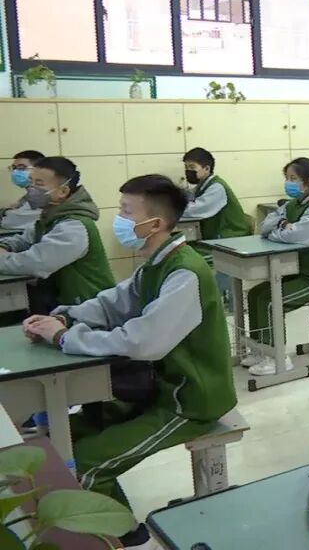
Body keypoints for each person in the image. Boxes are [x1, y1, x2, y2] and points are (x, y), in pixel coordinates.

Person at [22, 174, 237, 550]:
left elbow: (142, 342)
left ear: (155, 223)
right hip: (158, 386)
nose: (118, 219)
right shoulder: (156, 263)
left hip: (189, 400)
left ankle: (127, 539)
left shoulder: (185, 272)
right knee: (63, 437)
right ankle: (120, 525)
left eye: (126, 212)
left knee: (86, 463)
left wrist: (65, 338)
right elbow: (114, 302)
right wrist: (64, 317)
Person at [246, 158, 309, 376]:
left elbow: (296, 236)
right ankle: (260, 350)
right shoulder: (292, 205)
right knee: (255, 294)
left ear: (308, 182)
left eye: (293, 178)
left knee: (270, 300)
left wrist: (281, 230)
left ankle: (277, 357)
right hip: (302, 273)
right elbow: (265, 226)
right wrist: (283, 225)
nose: (288, 183)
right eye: (287, 178)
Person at [0, 156, 114, 316]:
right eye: (31, 182)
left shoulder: (73, 226)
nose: (31, 188)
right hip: (63, 301)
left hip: (86, 307)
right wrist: (5, 246)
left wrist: (2, 259)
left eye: (39, 184)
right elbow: (25, 239)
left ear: (63, 191)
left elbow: (36, 263)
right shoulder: (51, 215)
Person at [179, 147, 250, 254]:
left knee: (186, 252)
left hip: (230, 239)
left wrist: (170, 209)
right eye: (186, 167)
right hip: (217, 237)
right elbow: (189, 199)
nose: (188, 171)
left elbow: (195, 209)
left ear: (207, 168)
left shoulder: (217, 187)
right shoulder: (202, 186)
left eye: (192, 167)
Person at [1, 149, 45, 229]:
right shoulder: (27, 197)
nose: (15, 172)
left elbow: (16, 220)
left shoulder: (45, 195)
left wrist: (5, 213)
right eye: (14, 168)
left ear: (40, 170)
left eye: (21, 168)